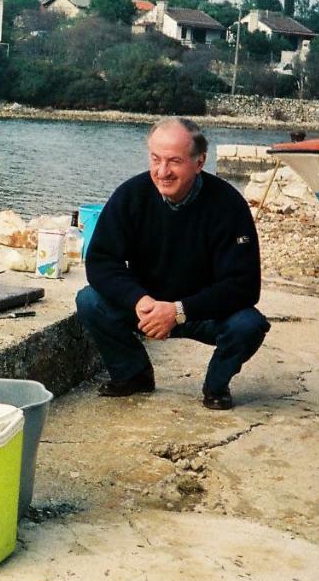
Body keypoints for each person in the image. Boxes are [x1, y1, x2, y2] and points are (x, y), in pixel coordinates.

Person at [75, 117, 270, 410]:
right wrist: (137, 299)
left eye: (174, 161)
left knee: (249, 325)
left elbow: (244, 286)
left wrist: (179, 311)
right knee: (90, 300)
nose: (162, 171)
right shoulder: (132, 195)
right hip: (147, 307)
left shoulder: (228, 205)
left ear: (199, 162)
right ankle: (133, 374)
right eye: (156, 159)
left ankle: (216, 385)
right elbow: (102, 260)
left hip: (203, 312)